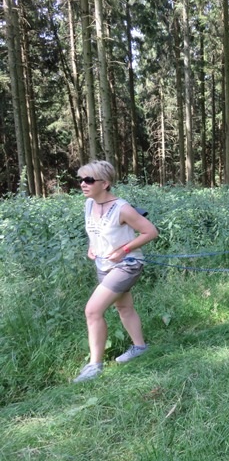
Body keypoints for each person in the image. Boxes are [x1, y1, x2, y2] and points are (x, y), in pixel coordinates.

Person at [74, 161, 159, 383]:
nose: (83, 184)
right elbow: (97, 233)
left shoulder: (122, 208)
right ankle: (140, 347)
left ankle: (95, 366)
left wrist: (124, 249)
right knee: (123, 307)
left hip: (127, 264)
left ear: (105, 183)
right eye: (81, 180)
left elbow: (150, 231)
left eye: (89, 180)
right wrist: (92, 247)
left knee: (92, 311)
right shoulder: (89, 205)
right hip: (104, 265)